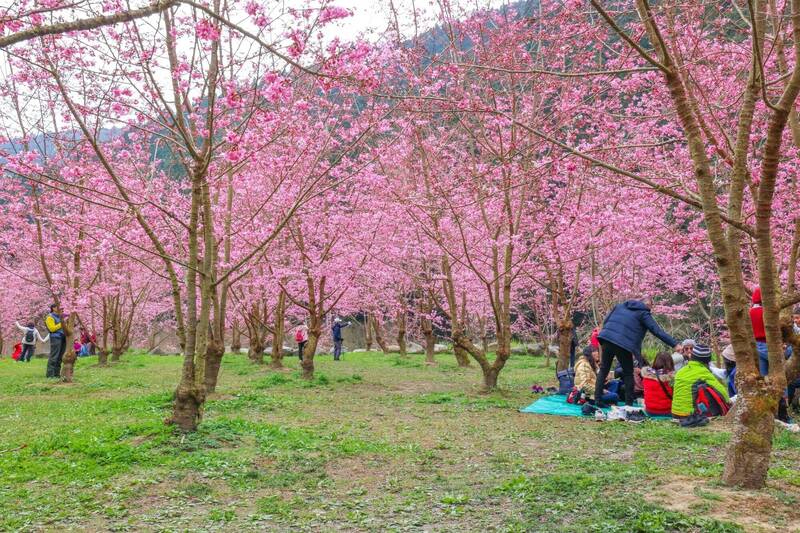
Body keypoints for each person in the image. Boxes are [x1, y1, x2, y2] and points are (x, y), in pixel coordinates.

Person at [595, 299, 678, 407]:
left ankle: (597, 400)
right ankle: (628, 404)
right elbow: (656, 330)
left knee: (604, 370)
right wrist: (675, 344)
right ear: (648, 306)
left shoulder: (619, 306)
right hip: (623, 343)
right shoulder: (644, 313)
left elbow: (606, 321)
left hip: (606, 338)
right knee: (628, 373)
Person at [671, 344, 730, 419]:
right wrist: (729, 401)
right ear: (707, 361)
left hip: (675, 413)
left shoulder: (681, 371)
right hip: (690, 415)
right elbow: (721, 392)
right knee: (710, 389)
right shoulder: (704, 372)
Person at [641, 351, 675, 416]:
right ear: (670, 362)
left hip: (649, 410)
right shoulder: (671, 378)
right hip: (667, 411)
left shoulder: (646, 375)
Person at [45, 304, 67, 378]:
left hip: (63, 338)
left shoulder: (62, 316)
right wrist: (62, 324)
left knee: (60, 357)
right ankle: (50, 374)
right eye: (58, 307)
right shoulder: (50, 317)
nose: (60, 308)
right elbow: (52, 328)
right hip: (55, 338)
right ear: (53, 308)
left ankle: (57, 374)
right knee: (54, 356)